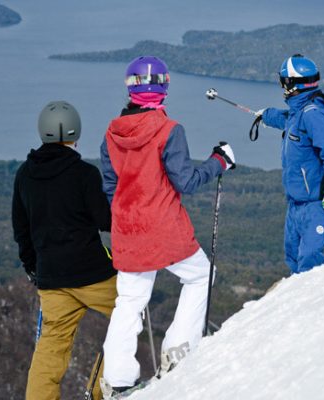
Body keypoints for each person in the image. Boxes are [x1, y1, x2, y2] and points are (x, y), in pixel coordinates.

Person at [98, 55, 235, 397]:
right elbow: (186, 182)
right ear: (164, 87)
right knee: (202, 276)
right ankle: (178, 349)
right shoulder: (169, 130)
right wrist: (219, 163)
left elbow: (111, 188)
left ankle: (116, 378)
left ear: (130, 88)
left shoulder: (111, 134)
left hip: (128, 231)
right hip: (164, 229)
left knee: (129, 301)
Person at [12, 101, 117, 400]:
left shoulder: (24, 175)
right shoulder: (84, 174)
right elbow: (105, 221)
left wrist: (34, 268)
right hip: (94, 274)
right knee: (129, 317)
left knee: (51, 344)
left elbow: (22, 230)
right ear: (76, 134)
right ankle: (100, 391)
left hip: (51, 278)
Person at [258, 54, 324, 275]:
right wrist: (265, 115)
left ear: (291, 83)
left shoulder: (313, 114)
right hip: (296, 204)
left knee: (309, 260)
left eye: (283, 81)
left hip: (316, 204)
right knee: (293, 257)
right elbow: (287, 120)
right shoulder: (300, 112)